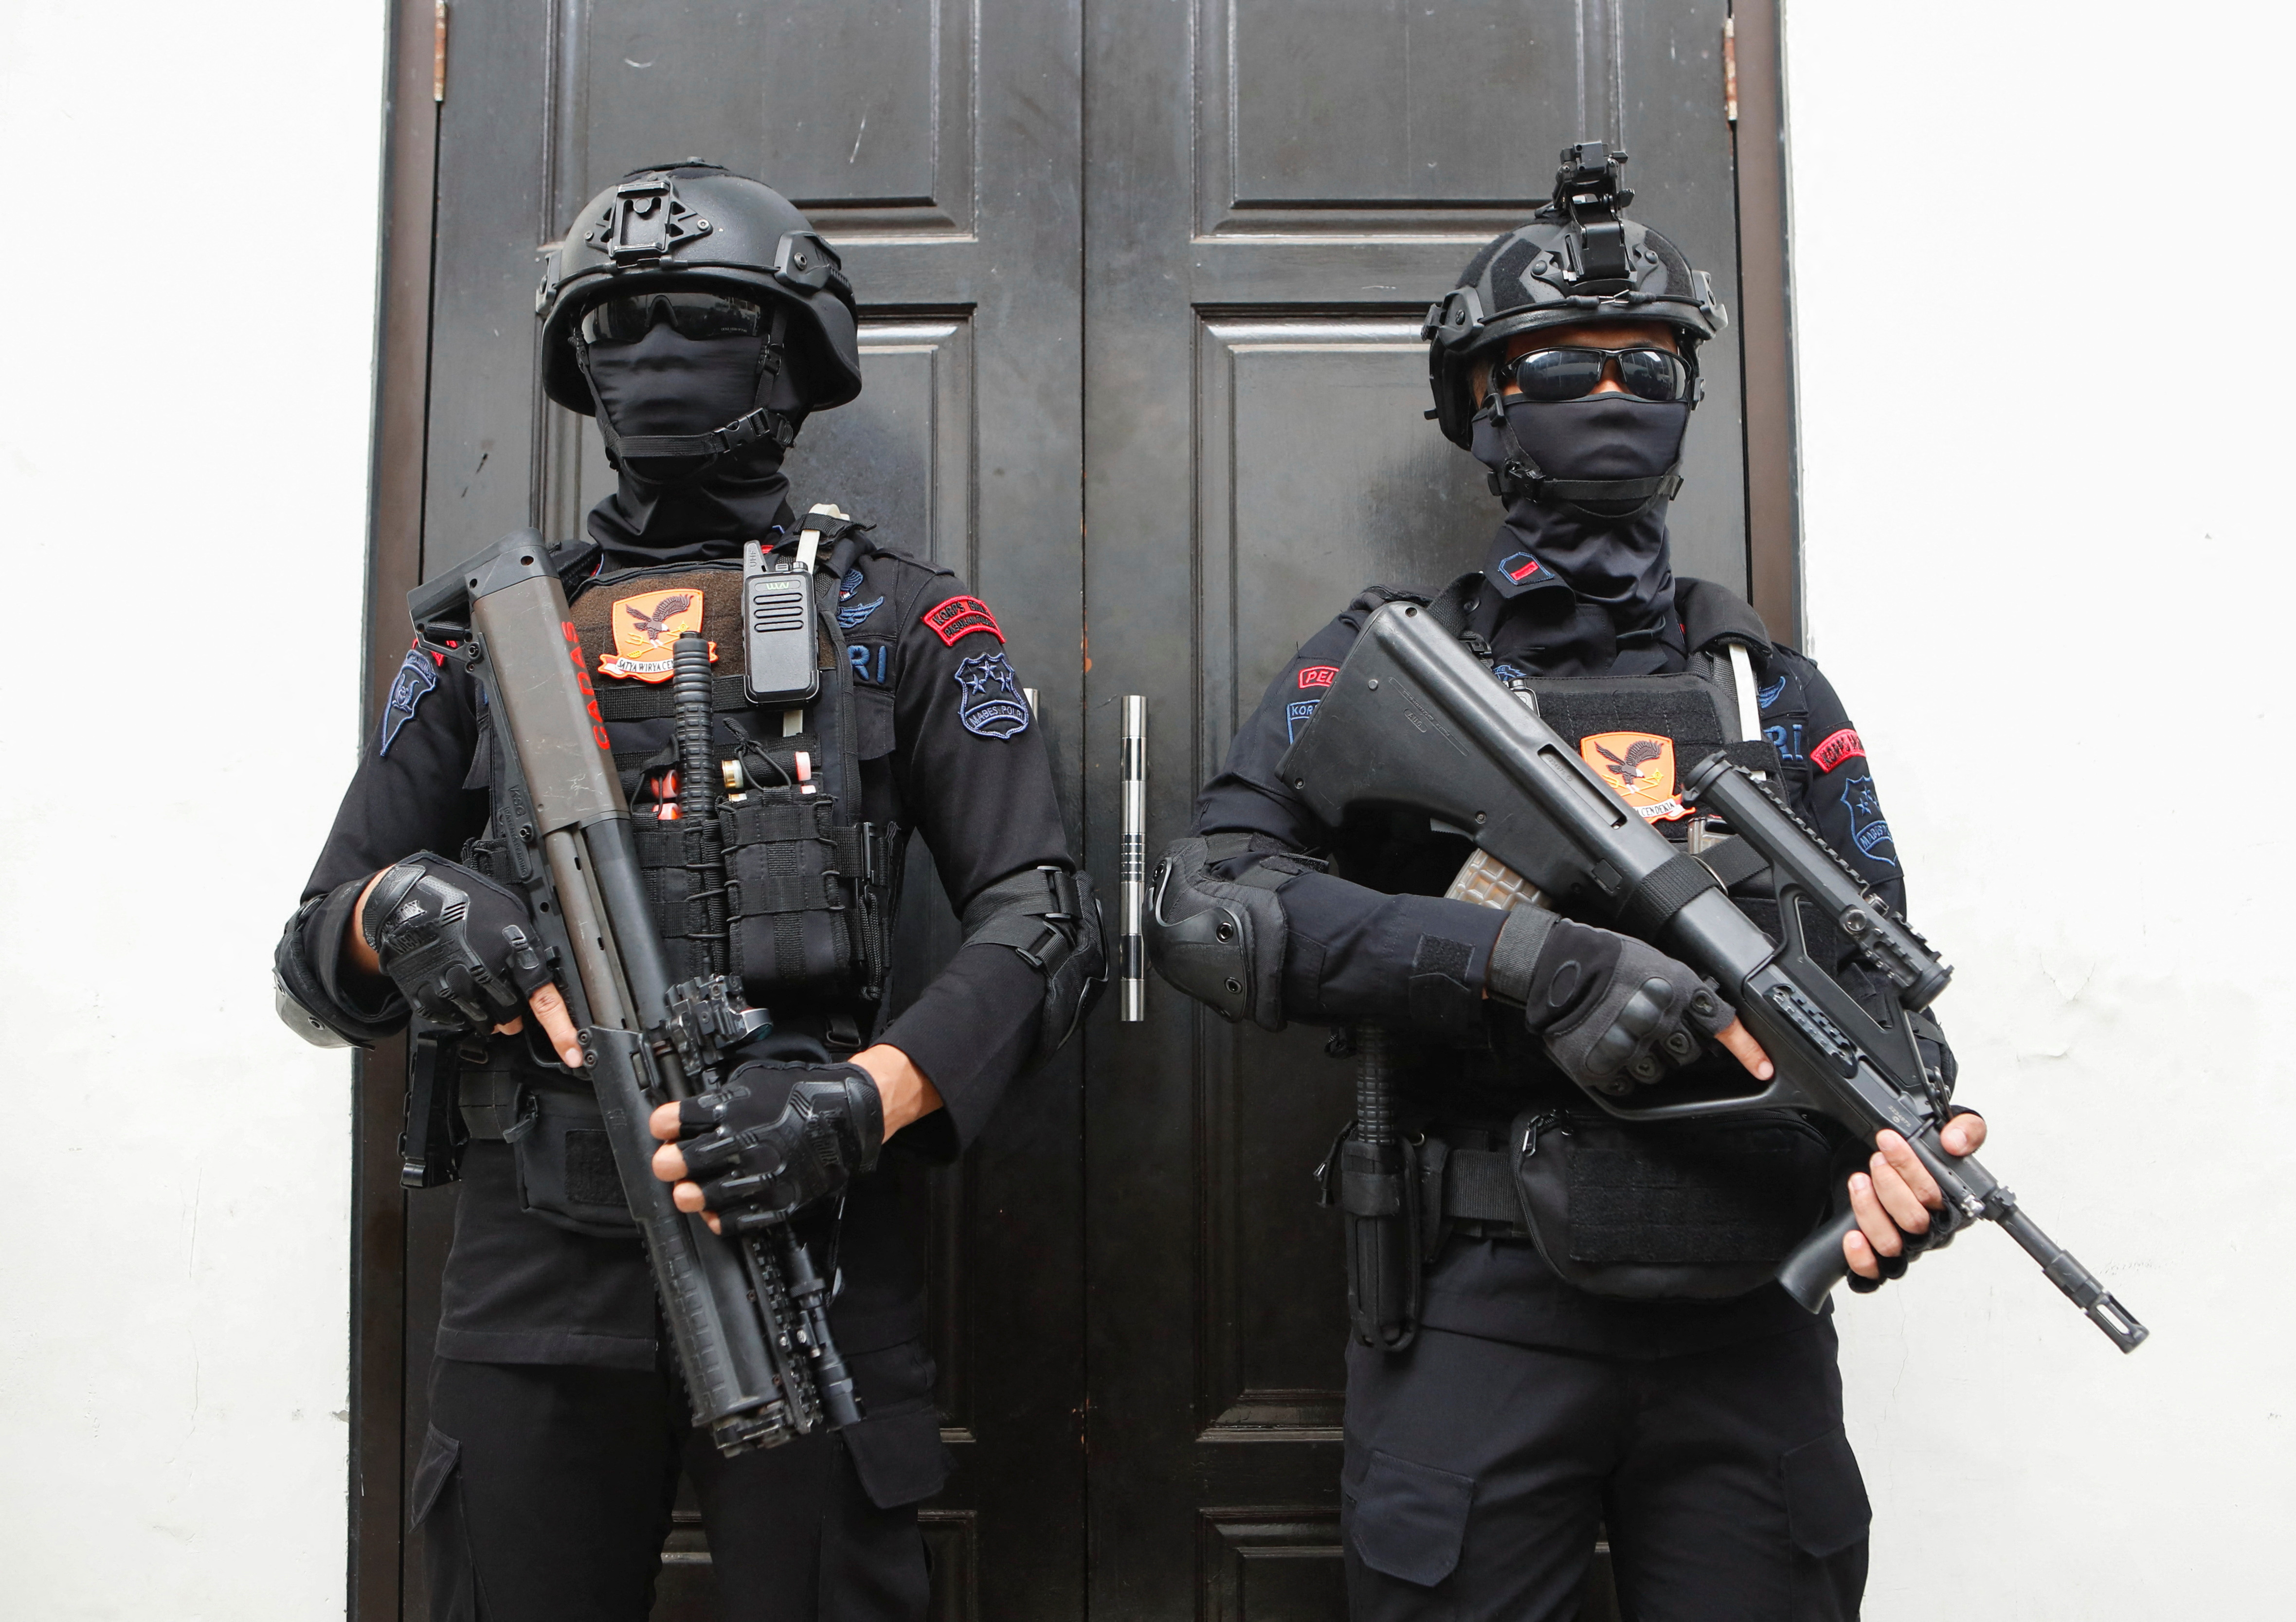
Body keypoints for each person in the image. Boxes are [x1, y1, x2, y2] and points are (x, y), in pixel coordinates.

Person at [1146, 143, 1982, 1621]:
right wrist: (1528, 968)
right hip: (1478, 1307)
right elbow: (1211, 908)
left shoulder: (1761, 686)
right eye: (1560, 366)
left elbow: (1879, 964)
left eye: (1648, 364)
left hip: (1748, 1329)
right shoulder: (1392, 664)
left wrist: (1906, 1145)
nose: (1610, 393)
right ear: (1482, 402)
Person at [273, 161, 1101, 1622]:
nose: (654, 356)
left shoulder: (905, 616)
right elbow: (310, 956)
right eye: (620, 326)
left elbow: (1042, 916)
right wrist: (399, 909)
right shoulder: (486, 638)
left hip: (809, 1238)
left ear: (790, 351)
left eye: (702, 320)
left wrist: (867, 1100)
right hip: (539, 1261)